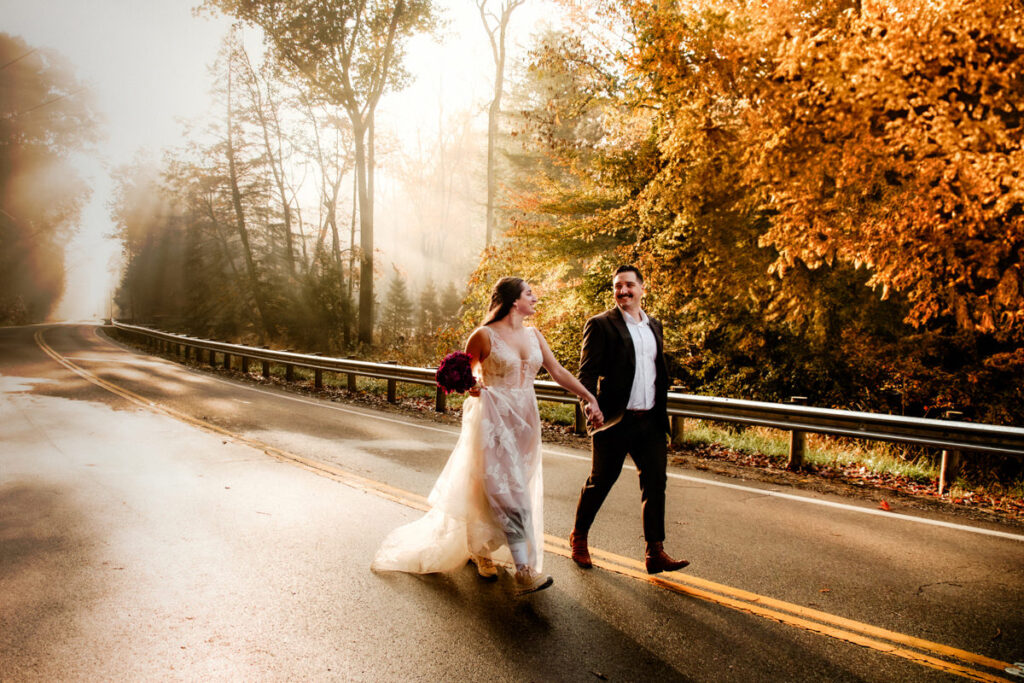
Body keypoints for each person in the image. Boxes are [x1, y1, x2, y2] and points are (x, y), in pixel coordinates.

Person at [372, 277, 604, 596]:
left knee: (512, 486)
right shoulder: (483, 336)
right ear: (512, 302)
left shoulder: (534, 335)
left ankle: (480, 546)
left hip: (525, 420)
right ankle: (523, 570)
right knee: (504, 489)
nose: (535, 298)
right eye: (529, 293)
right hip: (493, 419)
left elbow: (558, 372)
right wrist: (472, 386)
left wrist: (588, 397)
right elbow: (463, 374)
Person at [569, 265, 690, 575]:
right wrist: (588, 402)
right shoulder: (600, 325)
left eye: (628, 285)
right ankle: (579, 537)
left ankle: (655, 552)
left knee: (655, 484)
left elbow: (656, 372)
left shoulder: (655, 327)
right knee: (600, 482)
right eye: (617, 286)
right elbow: (586, 373)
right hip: (613, 420)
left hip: (649, 421)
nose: (622, 291)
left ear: (642, 289)